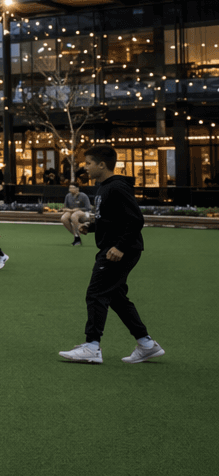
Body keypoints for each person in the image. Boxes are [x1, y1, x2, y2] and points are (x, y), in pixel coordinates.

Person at [59, 146, 165, 365]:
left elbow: (136, 219)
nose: (85, 167)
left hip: (118, 251)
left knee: (96, 293)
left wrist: (120, 247)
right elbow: (114, 220)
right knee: (116, 297)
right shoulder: (105, 188)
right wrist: (92, 226)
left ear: (101, 165)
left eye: (88, 163)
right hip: (115, 247)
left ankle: (92, 346)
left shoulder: (116, 187)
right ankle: (146, 344)